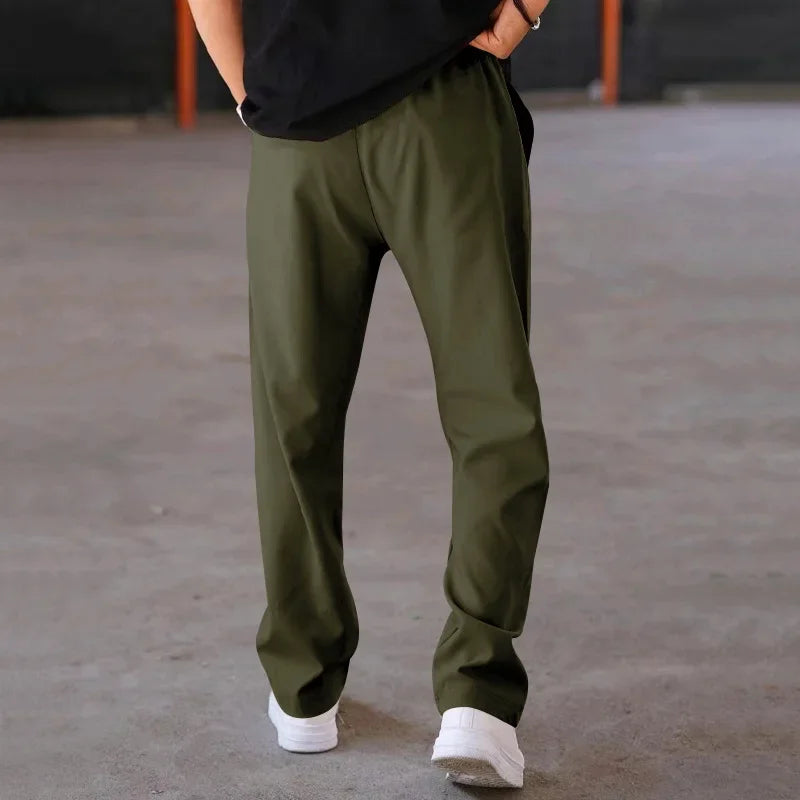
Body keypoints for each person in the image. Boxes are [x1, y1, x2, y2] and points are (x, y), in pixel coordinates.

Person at [187, 0, 550, 788]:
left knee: (295, 413)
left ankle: (305, 682)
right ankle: (477, 696)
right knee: (490, 404)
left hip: (308, 115)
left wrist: (251, 89)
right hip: (440, 101)